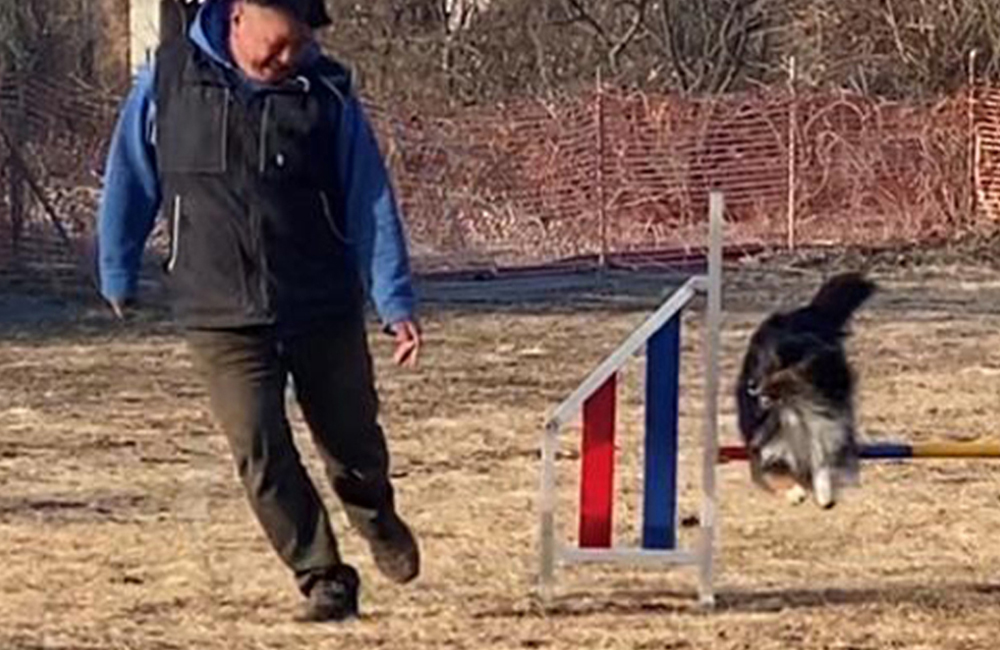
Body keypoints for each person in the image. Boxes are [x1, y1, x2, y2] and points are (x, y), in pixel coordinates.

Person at [97, 0, 422, 623]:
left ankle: (376, 515)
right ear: (238, 15)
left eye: (298, 46)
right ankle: (322, 575)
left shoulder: (326, 92)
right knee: (259, 449)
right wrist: (117, 266)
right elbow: (130, 175)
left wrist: (395, 298)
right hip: (218, 307)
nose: (287, 58)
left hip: (320, 300)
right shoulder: (168, 80)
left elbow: (369, 199)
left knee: (351, 441)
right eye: (276, 46)